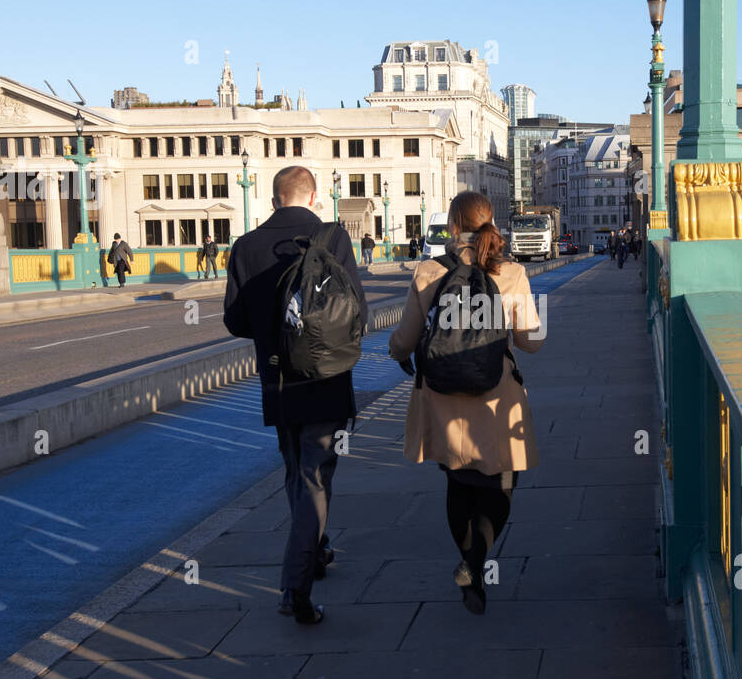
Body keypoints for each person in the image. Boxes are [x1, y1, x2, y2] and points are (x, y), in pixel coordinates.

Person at [223, 165, 368, 625]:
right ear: (314, 196)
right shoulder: (332, 238)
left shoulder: (245, 247)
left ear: (272, 200)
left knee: (296, 472)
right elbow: (356, 311)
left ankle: (315, 550)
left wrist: (274, 333)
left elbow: (235, 321)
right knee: (314, 480)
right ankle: (295, 586)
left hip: (277, 382)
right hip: (325, 379)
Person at [388, 191, 545, 615]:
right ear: (490, 221)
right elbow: (531, 341)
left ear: (453, 227)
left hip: (442, 397)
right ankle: (474, 562)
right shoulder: (510, 272)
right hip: (497, 399)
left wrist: (397, 353)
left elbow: (404, 339)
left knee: (457, 481)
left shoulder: (428, 271)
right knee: (502, 482)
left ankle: (467, 560)